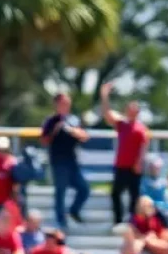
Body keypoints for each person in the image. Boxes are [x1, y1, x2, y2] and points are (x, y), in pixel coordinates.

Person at [100, 82, 150, 225]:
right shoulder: (122, 124)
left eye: (134, 109)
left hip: (134, 167)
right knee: (115, 193)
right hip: (121, 165)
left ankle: (133, 221)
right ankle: (118, 219)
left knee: (134, 195)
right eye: (129, 108)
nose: (131, 111)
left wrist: (139, 162)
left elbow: (144, 146)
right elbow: (107, 114)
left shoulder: (141, 128)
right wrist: (104, 95)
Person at [41, 93, 90, 229]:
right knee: (60, 192)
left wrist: (76, 132)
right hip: (58, 161)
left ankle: (74, 210)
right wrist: (55, 130)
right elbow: (44, 141)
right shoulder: (50, 121)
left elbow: (85, 136)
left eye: (68, 103)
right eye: (63, 104)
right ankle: (61, 221)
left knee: (84, 189)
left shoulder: (74, 120)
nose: (66, 106)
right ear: (56, 105)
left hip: (72, 161)